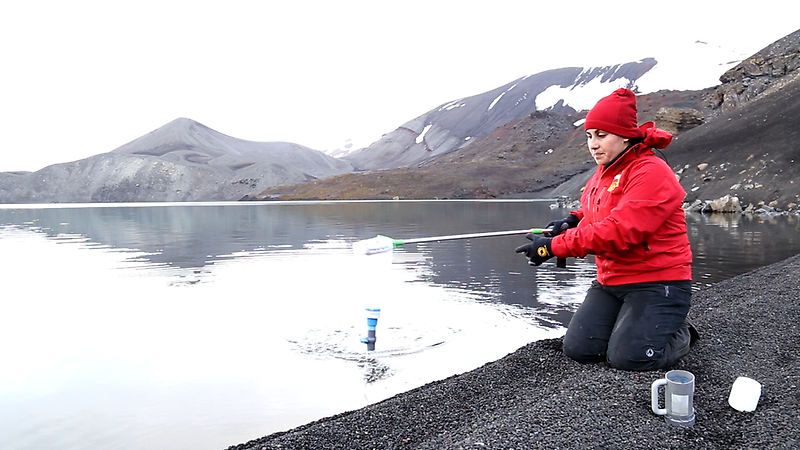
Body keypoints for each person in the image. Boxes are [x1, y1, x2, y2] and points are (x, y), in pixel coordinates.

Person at [515, 88, 697, 371]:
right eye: (589, 136)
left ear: (624, 135)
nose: (593, 144)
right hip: (611, 280)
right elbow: (596, 210)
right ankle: (640, 325)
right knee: (580, 349)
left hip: (658, 281)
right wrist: (571, 221)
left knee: (630, 358)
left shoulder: (651, 171)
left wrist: (552, 246)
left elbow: (621, 230)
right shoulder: (603, 172)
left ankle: (680, 332)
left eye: (601, 135)